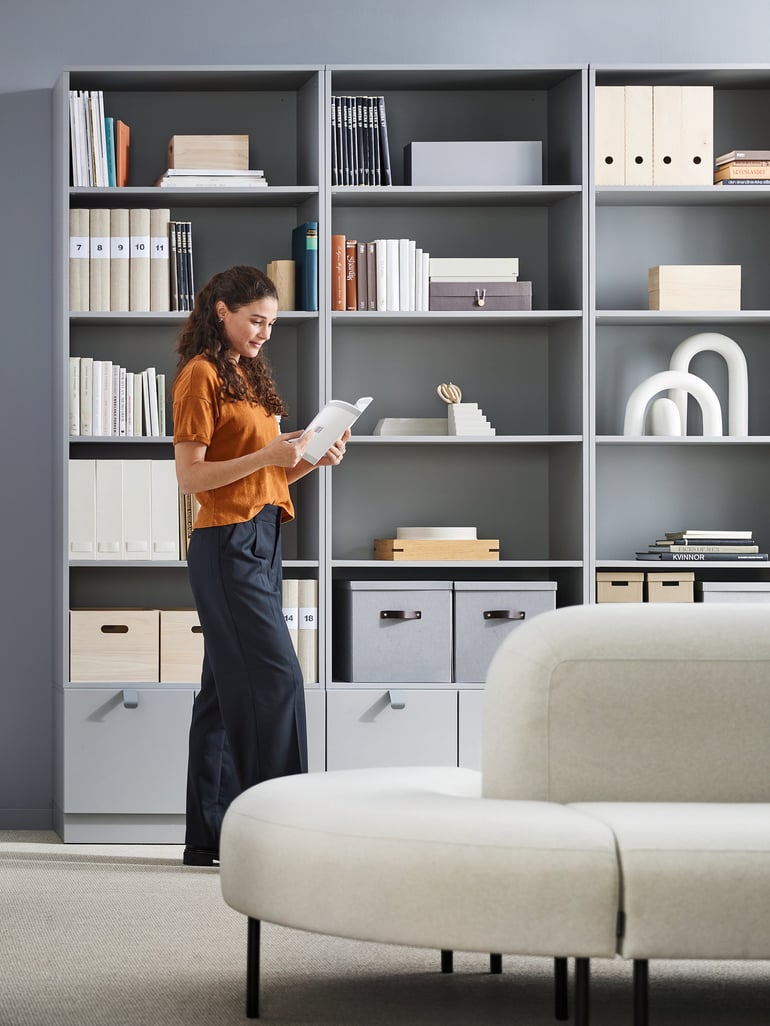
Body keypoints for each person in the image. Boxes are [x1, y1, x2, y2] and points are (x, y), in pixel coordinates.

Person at [172, 264, 349, 867]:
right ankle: (283, 835)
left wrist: (305, 461)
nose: (264, 332)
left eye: (271, 324)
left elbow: (266, 478)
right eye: (256, 320)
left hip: (262, 538)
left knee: (223, 696)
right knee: (277, 681)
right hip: (227, 545)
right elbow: (191, 478)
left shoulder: (246, 375)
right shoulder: (200, 376)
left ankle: (211, 838)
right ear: (222, 311)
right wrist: (270, 453)